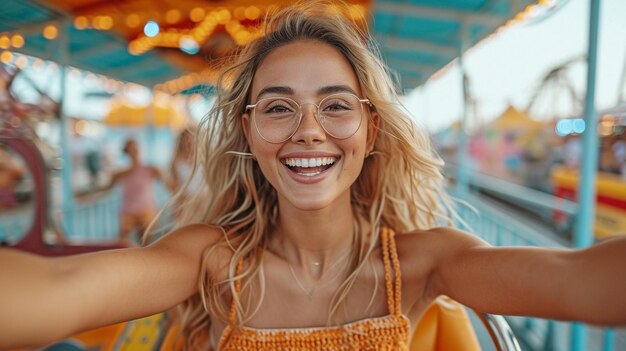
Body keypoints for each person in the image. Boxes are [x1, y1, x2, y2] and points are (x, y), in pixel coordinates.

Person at [1, 2, 625, 350]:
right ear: (248, 132)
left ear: (371, 129)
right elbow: (63, 284)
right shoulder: (214, 261)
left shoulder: (426, 262)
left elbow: (580, 281)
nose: (308, 131)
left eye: (335, 105)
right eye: (277, 107)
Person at [103, 138, 169, 244]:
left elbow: (168, 185)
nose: (134, 151)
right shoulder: (120, 173)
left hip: (146, 211)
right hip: (127, 212)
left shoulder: (151, 169)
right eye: (131, 148)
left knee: (145, 244)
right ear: (126, 152)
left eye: (135, 148)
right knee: (122, 243)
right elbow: (105, 189)